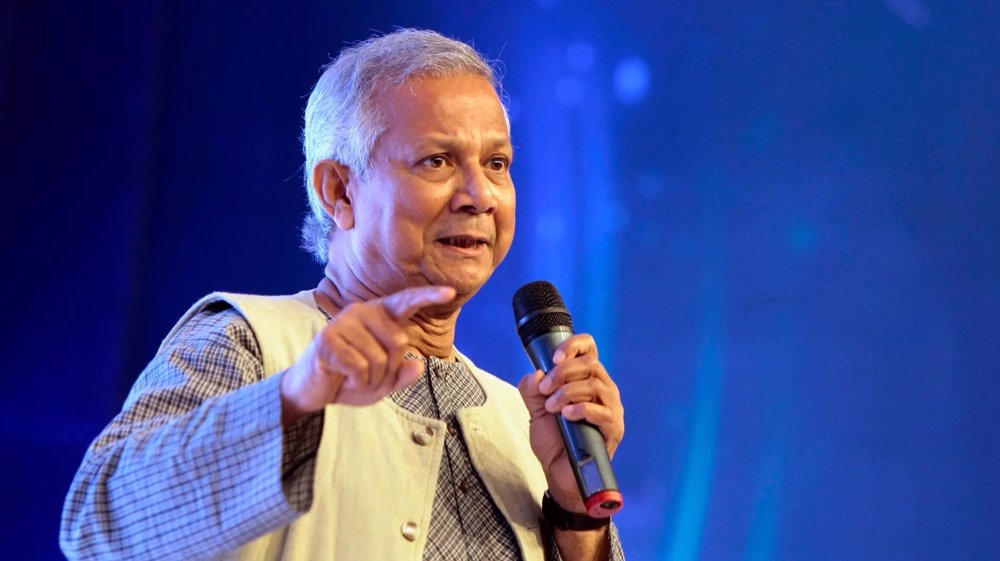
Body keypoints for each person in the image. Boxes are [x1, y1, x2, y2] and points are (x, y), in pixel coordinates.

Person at [60, 29, 626, 561]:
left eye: (496, 164)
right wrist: (297, 399)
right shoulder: (252, 344)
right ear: (339, 190)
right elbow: (98, 526)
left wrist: (578, 517)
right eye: (437, 161)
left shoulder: (522, 417)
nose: (479, 195)